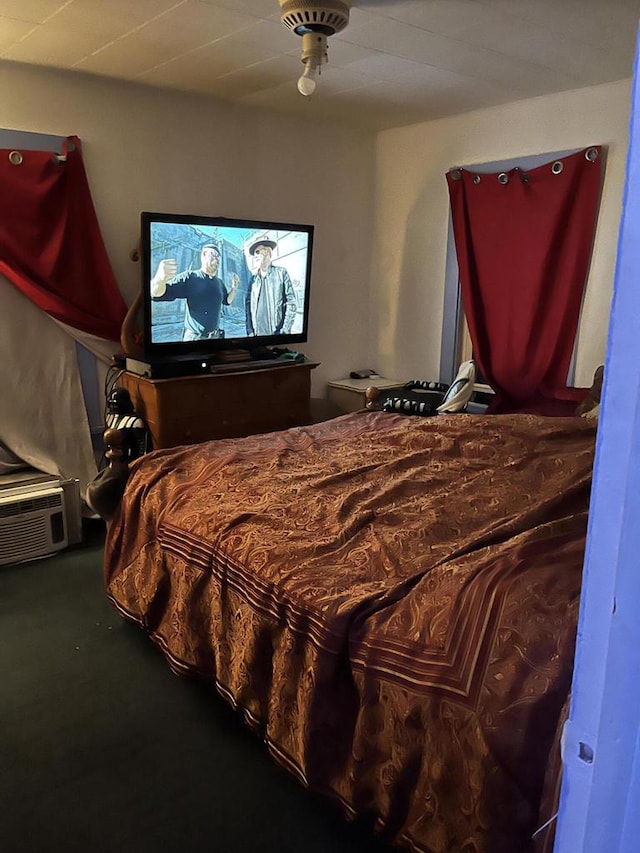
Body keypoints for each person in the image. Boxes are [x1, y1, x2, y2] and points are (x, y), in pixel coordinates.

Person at [151, 242, 239, 341]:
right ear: (203, 255)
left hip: (216, 336)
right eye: (213, 254)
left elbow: (227, 301)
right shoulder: (190, 277)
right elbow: (157, 294)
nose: (217, 258)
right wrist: (159, 279)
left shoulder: (219, 283)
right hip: (195, 338)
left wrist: (234, 288)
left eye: (218, 256)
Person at [245, 237, 297, 336]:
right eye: (254, 253)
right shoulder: (253, 280)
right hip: (256, 336)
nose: (255, 256)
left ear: (268, 252)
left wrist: (284, 332)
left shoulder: (281, 273)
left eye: (258, 251)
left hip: (275, 336)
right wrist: (250, 331)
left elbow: (291, 303)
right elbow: (247, 306)